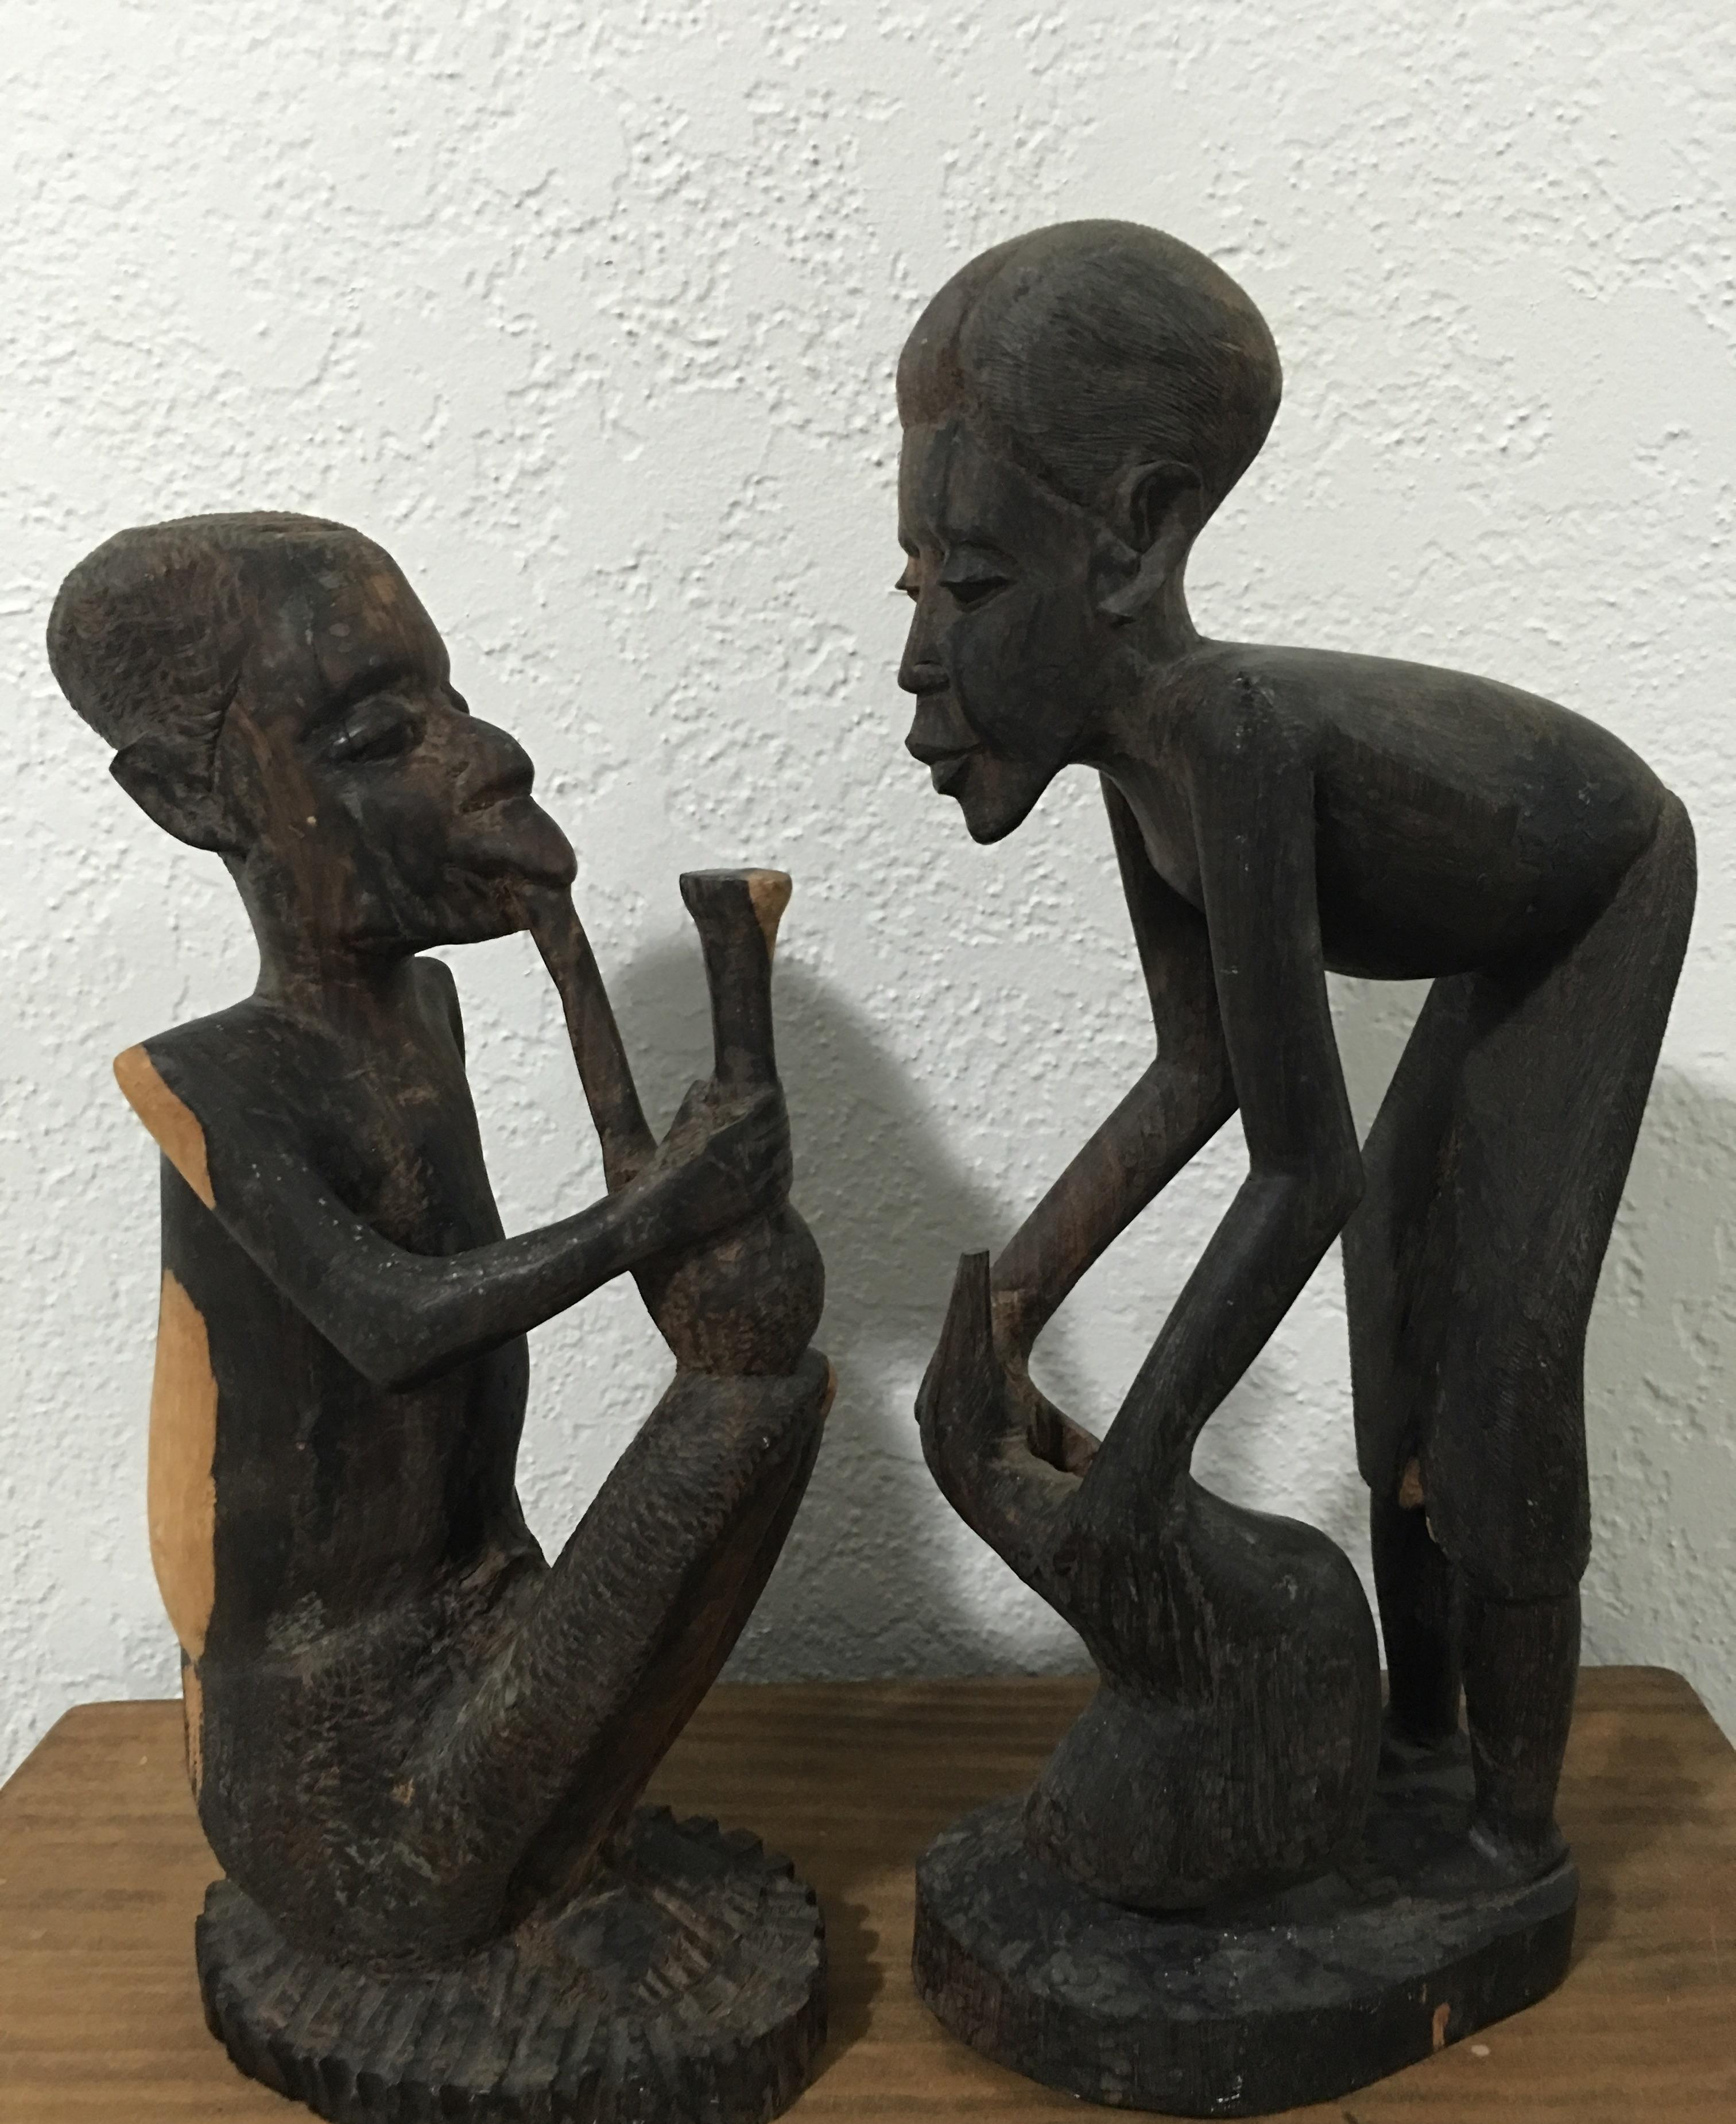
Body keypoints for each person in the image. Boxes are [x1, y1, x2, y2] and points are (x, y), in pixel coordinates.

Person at [897, 222, 1694, 1894]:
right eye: (917, 591)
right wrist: (1011, 1300)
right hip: (1498, 927)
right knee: (1393, 1331)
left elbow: (1300, 1164)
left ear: (1136, 539)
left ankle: (1513, 1833)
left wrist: (1145, 1455)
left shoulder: (1230, 732)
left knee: (1497, 1371)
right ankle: (1416, 1746)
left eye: (968, 590)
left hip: (1598, 896)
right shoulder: (1141, 766)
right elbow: (1197, 1078)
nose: (919, 658)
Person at [49, 512, 828, 1964]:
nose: (484, 758)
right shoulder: (211, 1082)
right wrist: (650, 1213)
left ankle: (555, 1858)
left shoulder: (428, 1012)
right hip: (337, 1775)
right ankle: (475, 1912)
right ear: (189, 799)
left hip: (491, 1621)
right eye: (374, 740)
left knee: (767, 1395)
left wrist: (674, 1205)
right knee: (750, 1406)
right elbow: (393, 1323)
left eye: (451, 705)